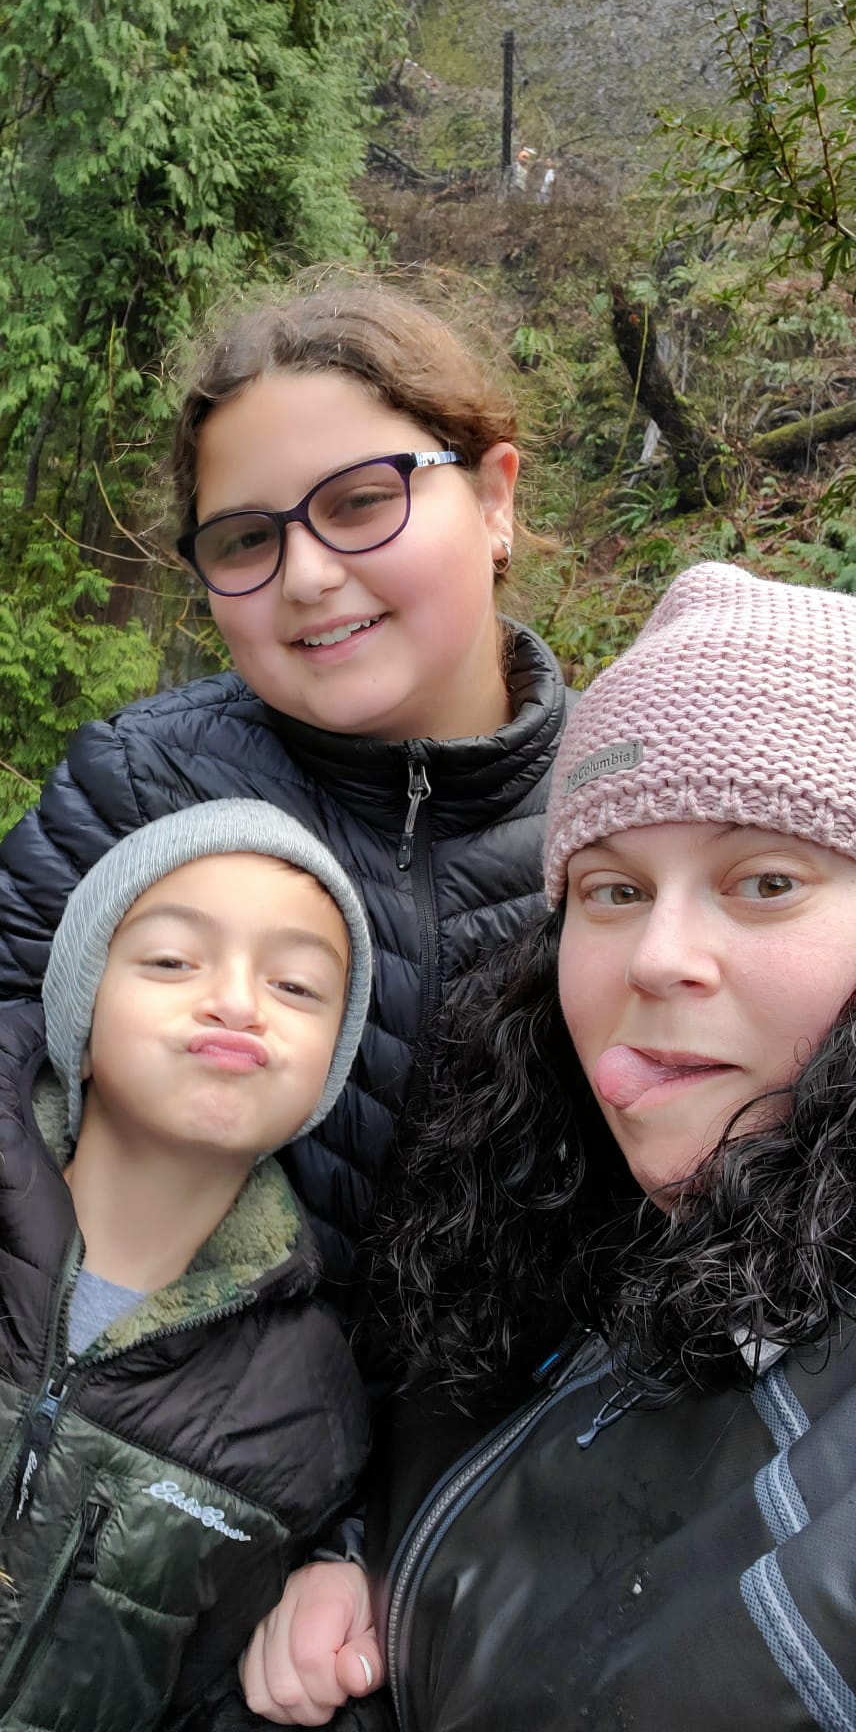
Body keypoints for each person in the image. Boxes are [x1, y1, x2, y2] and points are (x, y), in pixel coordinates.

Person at [240, 561, 856, 1729]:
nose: (656, 958)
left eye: (767, 881)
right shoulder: (551, 1215)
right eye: (614, 892)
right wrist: (365, 1570)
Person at [0, 274, 569, 1290]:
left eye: (362, 501)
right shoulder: (141, 784)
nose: (308, 575)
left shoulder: (628, 816)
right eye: (247, 537)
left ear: (494, 497)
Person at [0, 802, 371, 1732]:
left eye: (296, 985)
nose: (238, 1001)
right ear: (82, 1010)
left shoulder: (305, 1402)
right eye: (172, 961)